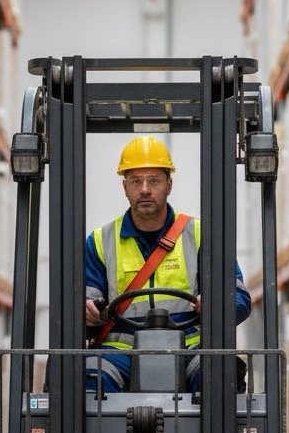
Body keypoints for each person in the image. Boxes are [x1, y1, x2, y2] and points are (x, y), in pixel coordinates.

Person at [84, 135, 251, 393]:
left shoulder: (200, 235)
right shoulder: (99, 241)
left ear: (169, 185)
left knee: (218, 374)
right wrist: (88, 310)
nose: (145, 189)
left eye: (154, 180)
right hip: (120, 352)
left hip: (190, 348)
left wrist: (217, 304)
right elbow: (85, 299)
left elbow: (239, 299)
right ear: (125, 187)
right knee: (87, 378)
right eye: (136, 181)